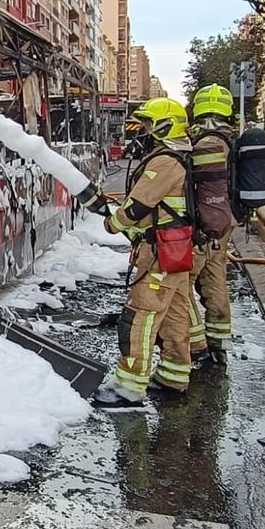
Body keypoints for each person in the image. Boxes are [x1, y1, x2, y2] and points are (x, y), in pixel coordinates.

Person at [91, 97, 195, 408]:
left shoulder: (164, 161)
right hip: (178, 250)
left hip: (161, 253)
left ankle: (128, 386)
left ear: (164, 127)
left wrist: (113, 223)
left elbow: (138, 205)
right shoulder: (181, 156)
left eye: (149, 125)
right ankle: (174, 374)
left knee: (141, 315)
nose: (144, 130)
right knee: (176, 314)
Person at [186, 84, 237, 363]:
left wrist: (203, 230)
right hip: (223, 224)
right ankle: (218, 339)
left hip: (207, 227)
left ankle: (196, 344)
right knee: (215, 278)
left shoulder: (208, 142)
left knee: (184, 282)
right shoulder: (229, 138)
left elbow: (202, 189)